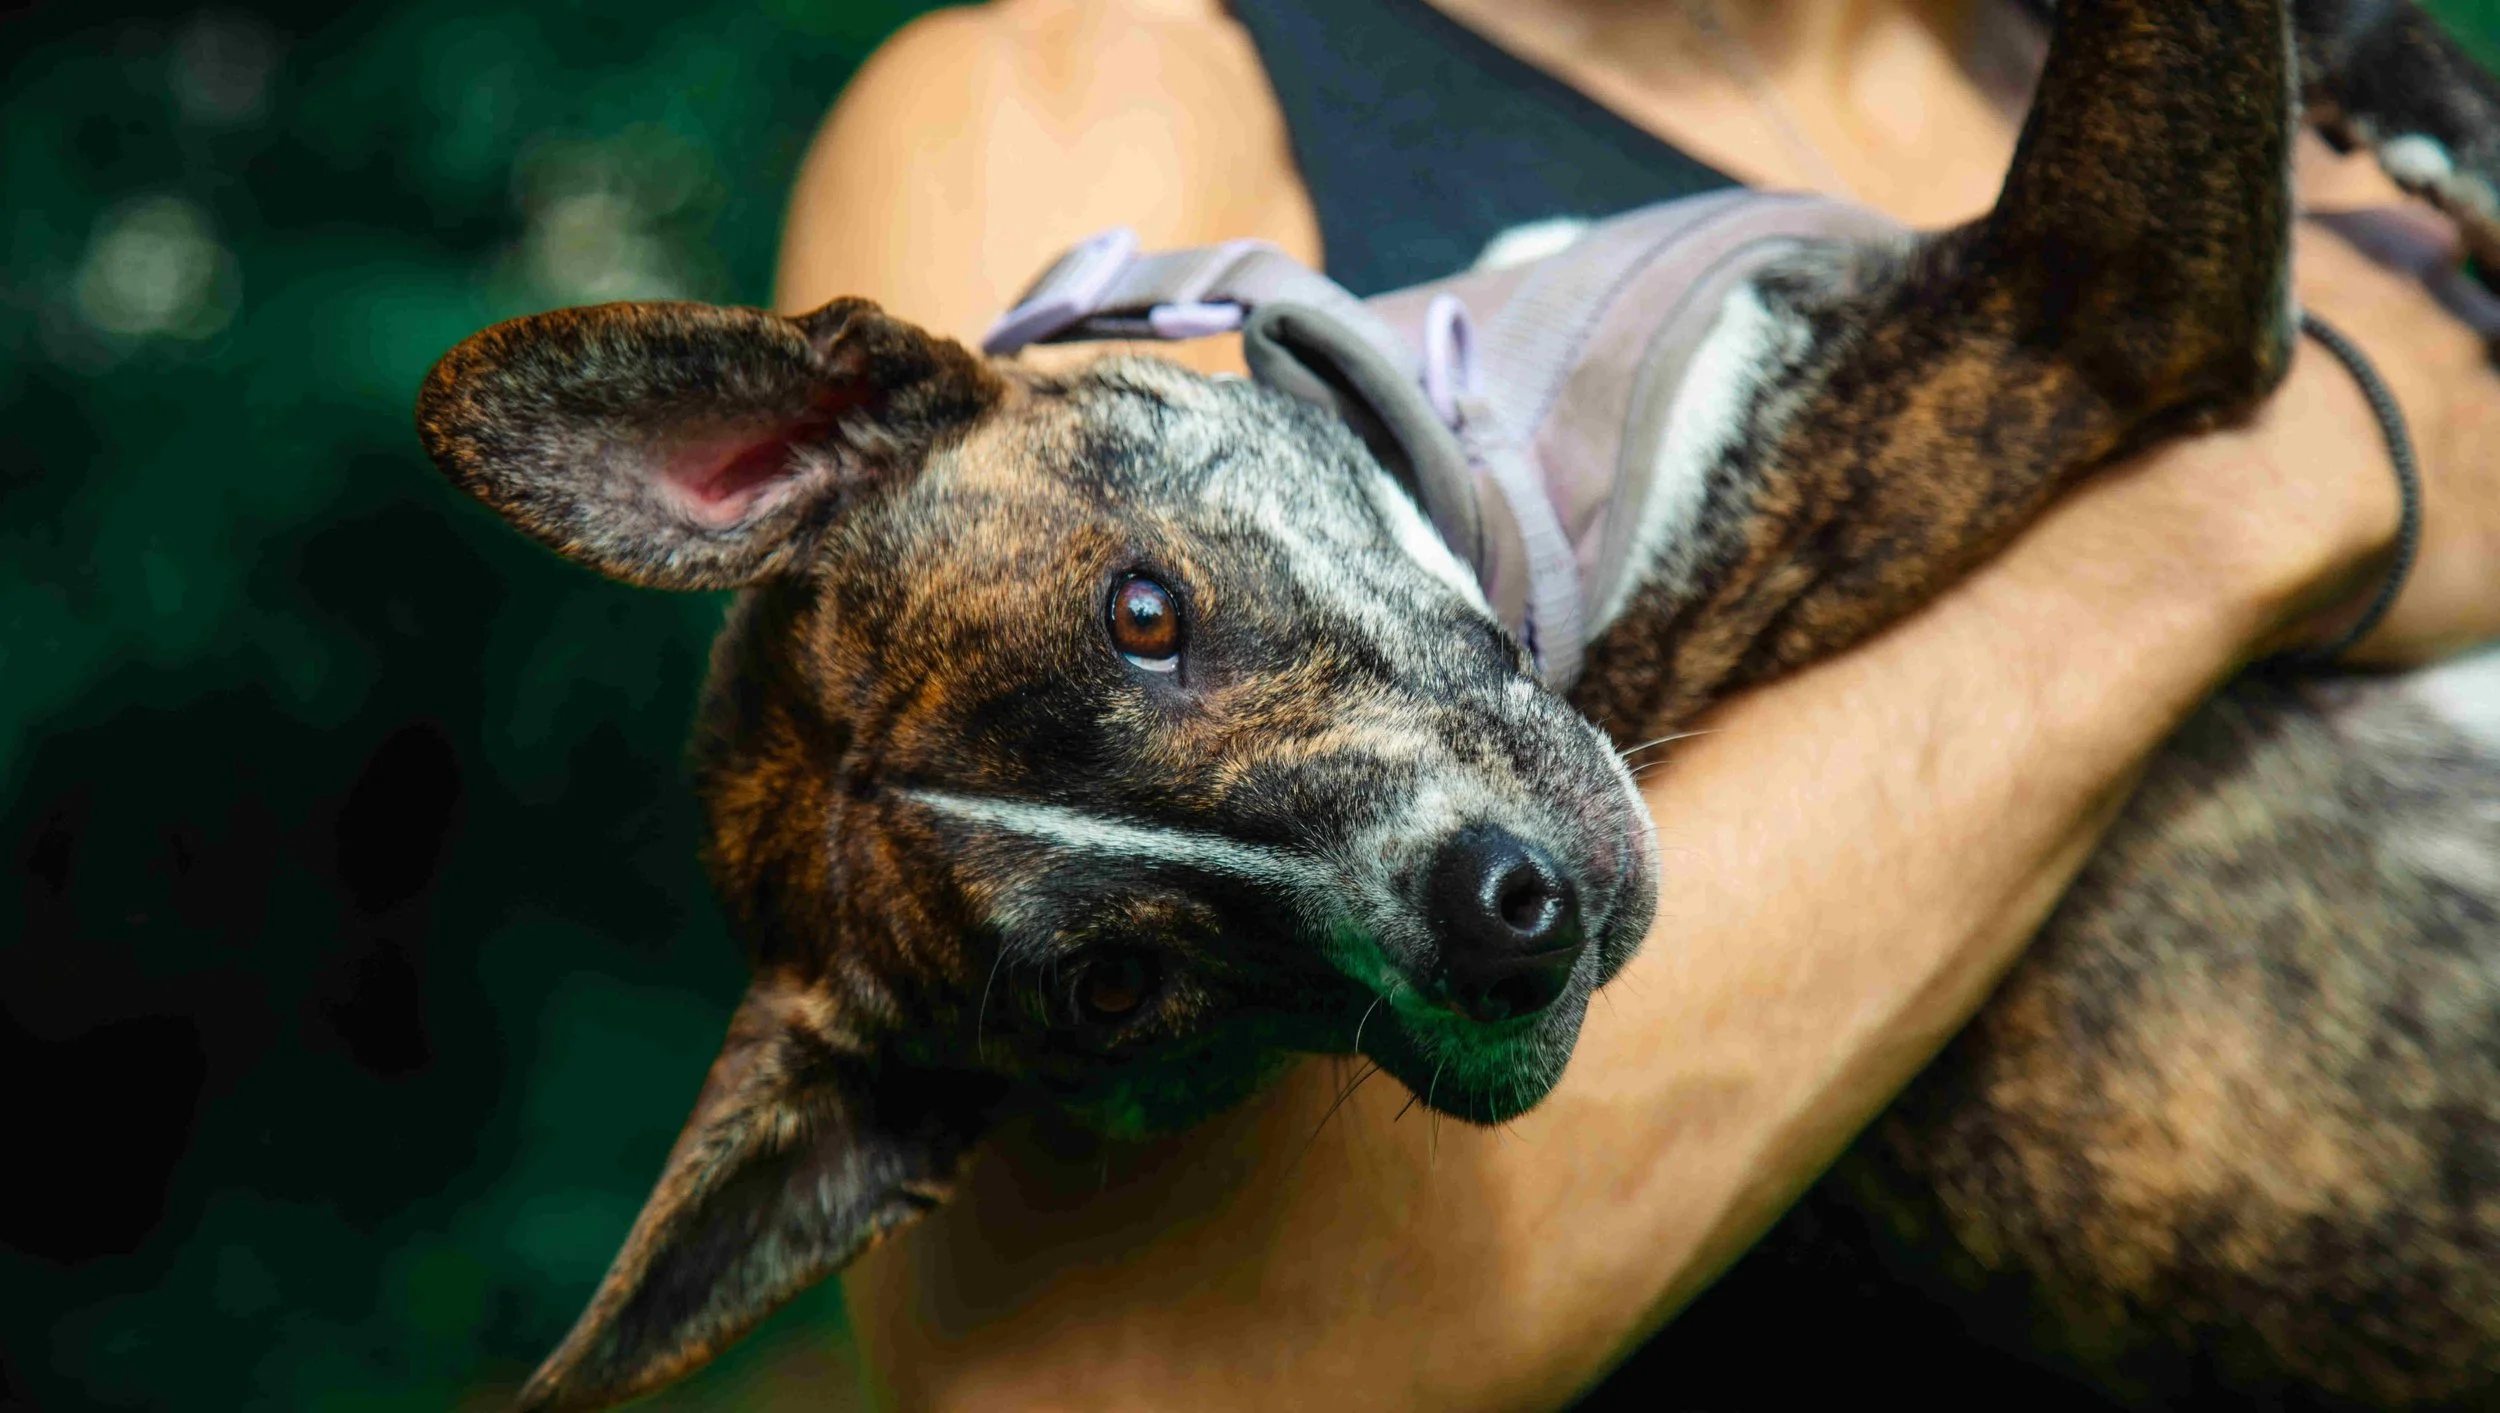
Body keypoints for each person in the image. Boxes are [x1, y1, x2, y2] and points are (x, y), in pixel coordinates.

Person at [773, 0, 2500, 1405]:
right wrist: (2253, 509)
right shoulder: (1082, 89)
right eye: (1152, 617)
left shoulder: (2281, 59)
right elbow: (1077, 1388)